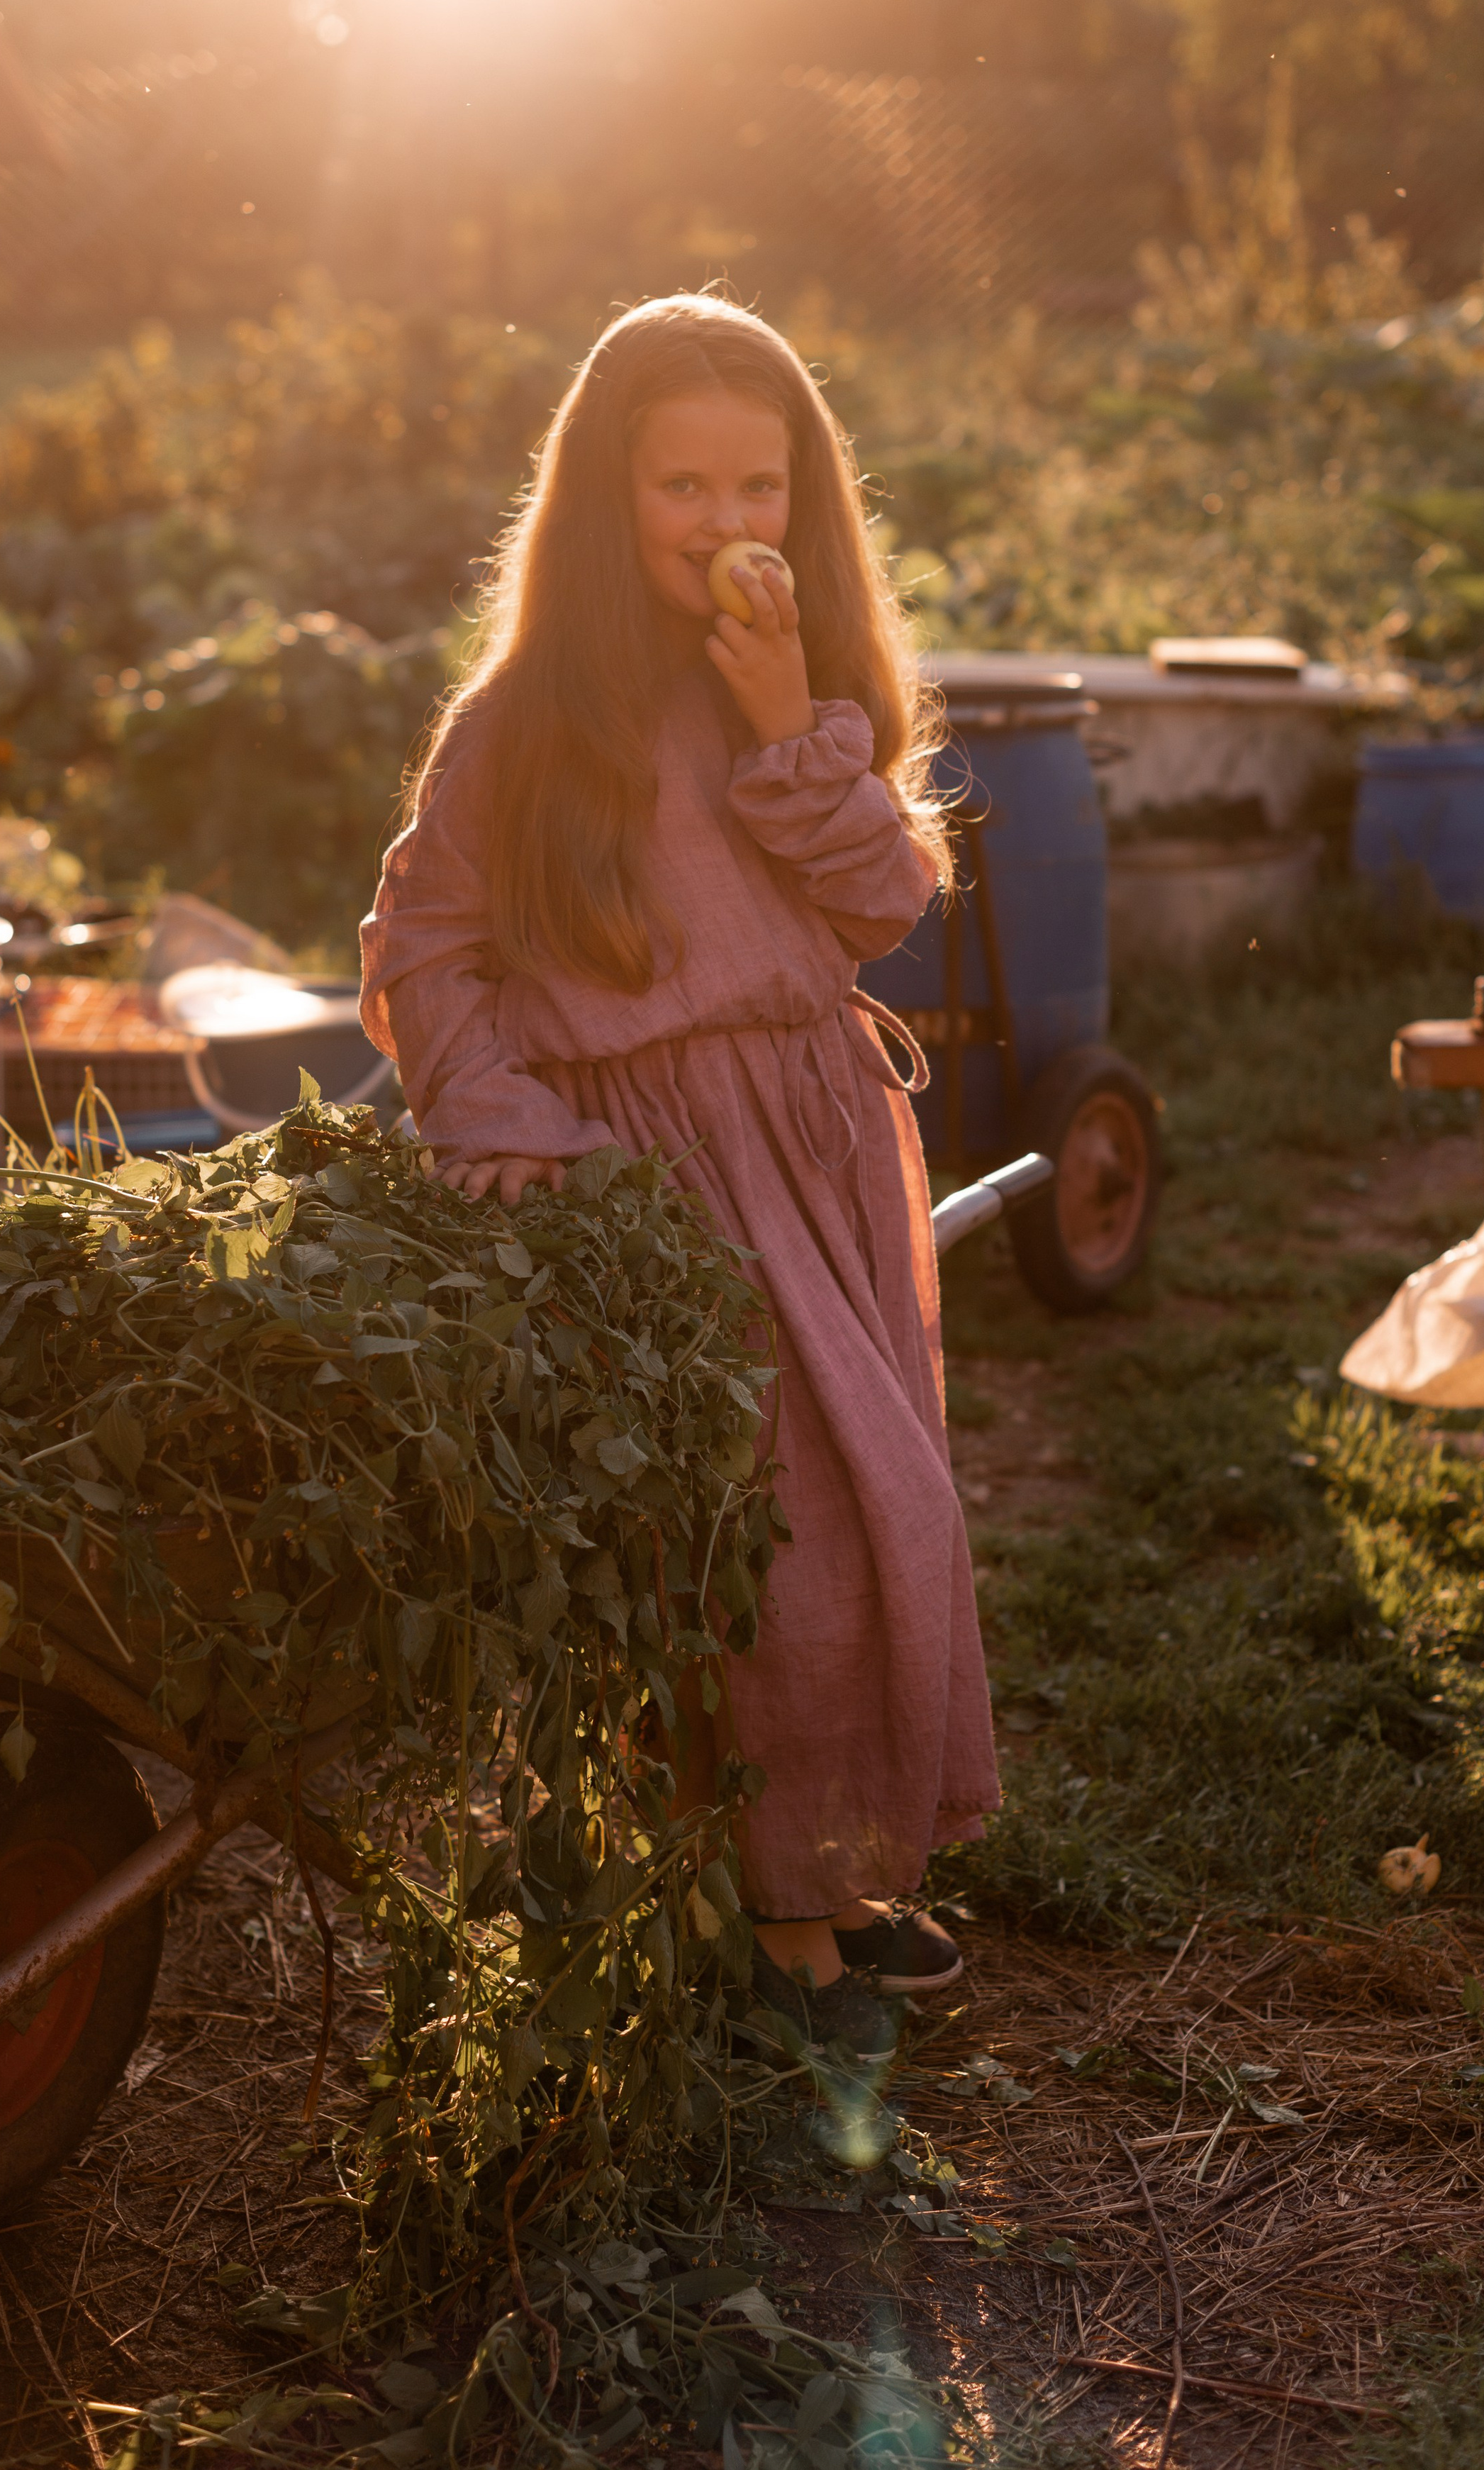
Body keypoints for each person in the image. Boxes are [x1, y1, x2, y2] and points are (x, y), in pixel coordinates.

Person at [358, 294, 1000, 2059]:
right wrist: (497, 1118)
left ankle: (836, 1868)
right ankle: (771, 1918)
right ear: (599, 499)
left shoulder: (796, 690)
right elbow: (428, 944)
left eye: (760, 488)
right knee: (768, 1538)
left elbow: (879, 907)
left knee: (885, 1509)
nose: (726, 527)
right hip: (656, 1180)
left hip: (811, 1141)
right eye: (680, 488)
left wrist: (793, 719)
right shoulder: (521, 724)